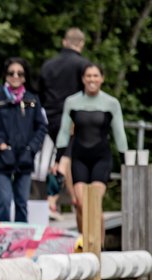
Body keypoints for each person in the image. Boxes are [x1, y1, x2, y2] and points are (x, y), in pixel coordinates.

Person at [55, 63, 128, 243]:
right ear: (83, 79)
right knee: (80, 204)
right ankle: (84, 242)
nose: (92, 79)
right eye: (88, 76)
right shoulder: (72, 102)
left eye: (96, 76)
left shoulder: (111, 103)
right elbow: (64, 131)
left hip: (101, 158)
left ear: (102, 78)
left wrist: (125, 160)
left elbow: (119, 133)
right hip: (79, 157)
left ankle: (99, 247)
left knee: (94, 204)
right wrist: (59, 159)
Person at [0, 57, 47, 223]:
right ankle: (3, 238)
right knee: (3, 201)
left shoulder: (32, 99)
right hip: (2, 158)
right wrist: (0, 145)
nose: (15, 76)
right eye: (11, 73)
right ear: (5, 75)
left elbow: (41, 127)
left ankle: (21, 241)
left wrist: (32, 147)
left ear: (25, 77)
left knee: (22, 203)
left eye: (20, 73)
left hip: (25, 157)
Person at [37, 28, 90, 213]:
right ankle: (52, 197)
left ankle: (73, 198)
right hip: (72, 118)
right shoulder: (84, 65)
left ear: (64, 42)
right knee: (65, 158)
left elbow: (40, 94)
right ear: (81, 44)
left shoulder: (48, 65)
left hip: (51, 118)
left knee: (64, 154)